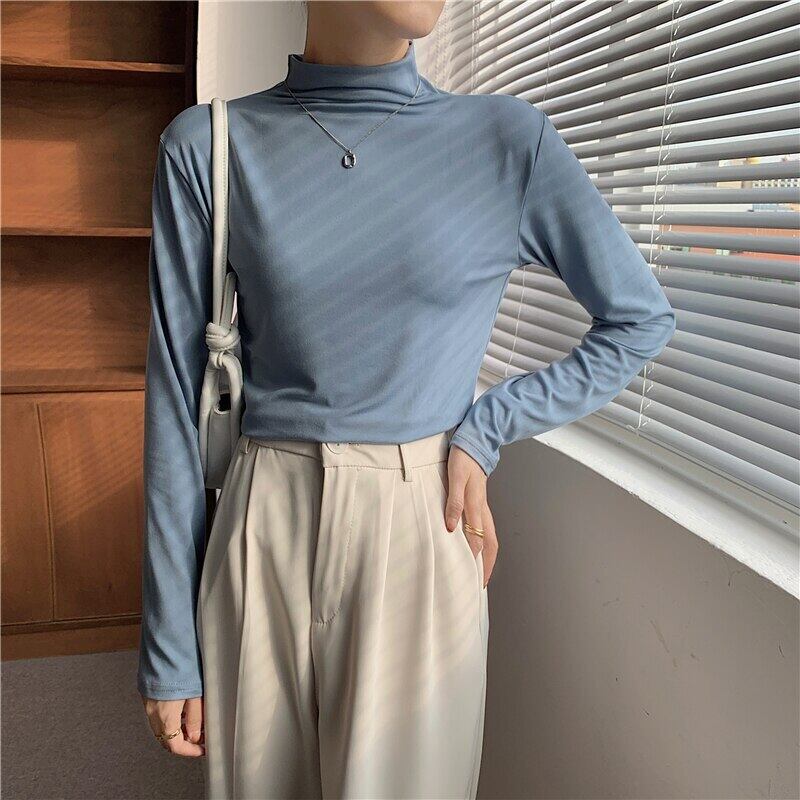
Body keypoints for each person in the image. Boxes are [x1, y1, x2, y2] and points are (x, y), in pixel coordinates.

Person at [138, 2, 676, 798]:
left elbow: (638, 319)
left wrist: (486, 428)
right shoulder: (208, 146)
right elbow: (176, 400)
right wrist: (168, 645)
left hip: (423, 525)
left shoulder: (506, 142)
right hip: (262, 525)